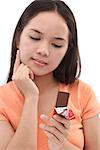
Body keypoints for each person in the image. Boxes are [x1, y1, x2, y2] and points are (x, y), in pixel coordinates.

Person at [0, 0, 100, 149]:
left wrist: (61, 145)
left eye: (56, 44)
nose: (43, 51)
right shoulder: (2, 99)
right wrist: (31, 98)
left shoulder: (82, 93)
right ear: (18, 39)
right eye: (35, 37)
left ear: (67, 49)